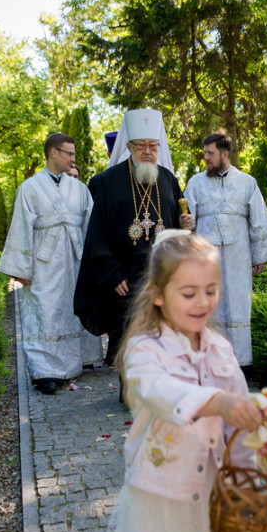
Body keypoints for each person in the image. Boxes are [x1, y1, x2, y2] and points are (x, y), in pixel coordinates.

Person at [102, 230, 261, 532]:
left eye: (211, 291)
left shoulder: (221, 350)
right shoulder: (144, 349)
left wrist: (248, 482)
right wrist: (217, 402)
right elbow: (159, 391)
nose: (202, 302)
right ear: (158, 294)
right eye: (189, 293)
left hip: (215, 489)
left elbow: (239, 425)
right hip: (162, 494)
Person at [74, 109, 194, 372]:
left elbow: (179, 227)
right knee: (131, 345)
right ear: (128, 146)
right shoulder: (107, 182)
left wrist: (187, 227)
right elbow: (97, 235)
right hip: (125, 281)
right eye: (141, 146)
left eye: (153, 146)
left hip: (161, 279)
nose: (148, 151)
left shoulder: (169, 180)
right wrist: (112, 274)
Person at [0, 133, 102, 394]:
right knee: (46, 312)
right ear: (53, 153)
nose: (73, 158)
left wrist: (94, 261)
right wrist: (21, 268)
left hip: (75, 257)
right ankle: (44, 372)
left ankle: (77, 361)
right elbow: (21, 226)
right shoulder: (29, 187)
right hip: (44, 261)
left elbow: (91, 226)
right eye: (69, 153)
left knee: (74, 307)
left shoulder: (79, 189)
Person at [184, 132, 267, 372]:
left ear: (224, 154)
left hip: (239, 256)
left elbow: (258, 219)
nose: (205, 158)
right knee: (208, 304)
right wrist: (185, 222)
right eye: (205, 153)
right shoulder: (195, 183)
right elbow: (186, 218)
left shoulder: (247, 183)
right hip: (205, 257)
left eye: (210, 153)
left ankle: (240, 365)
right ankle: (208, 362)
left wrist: (260, 255)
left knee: (238, 304)